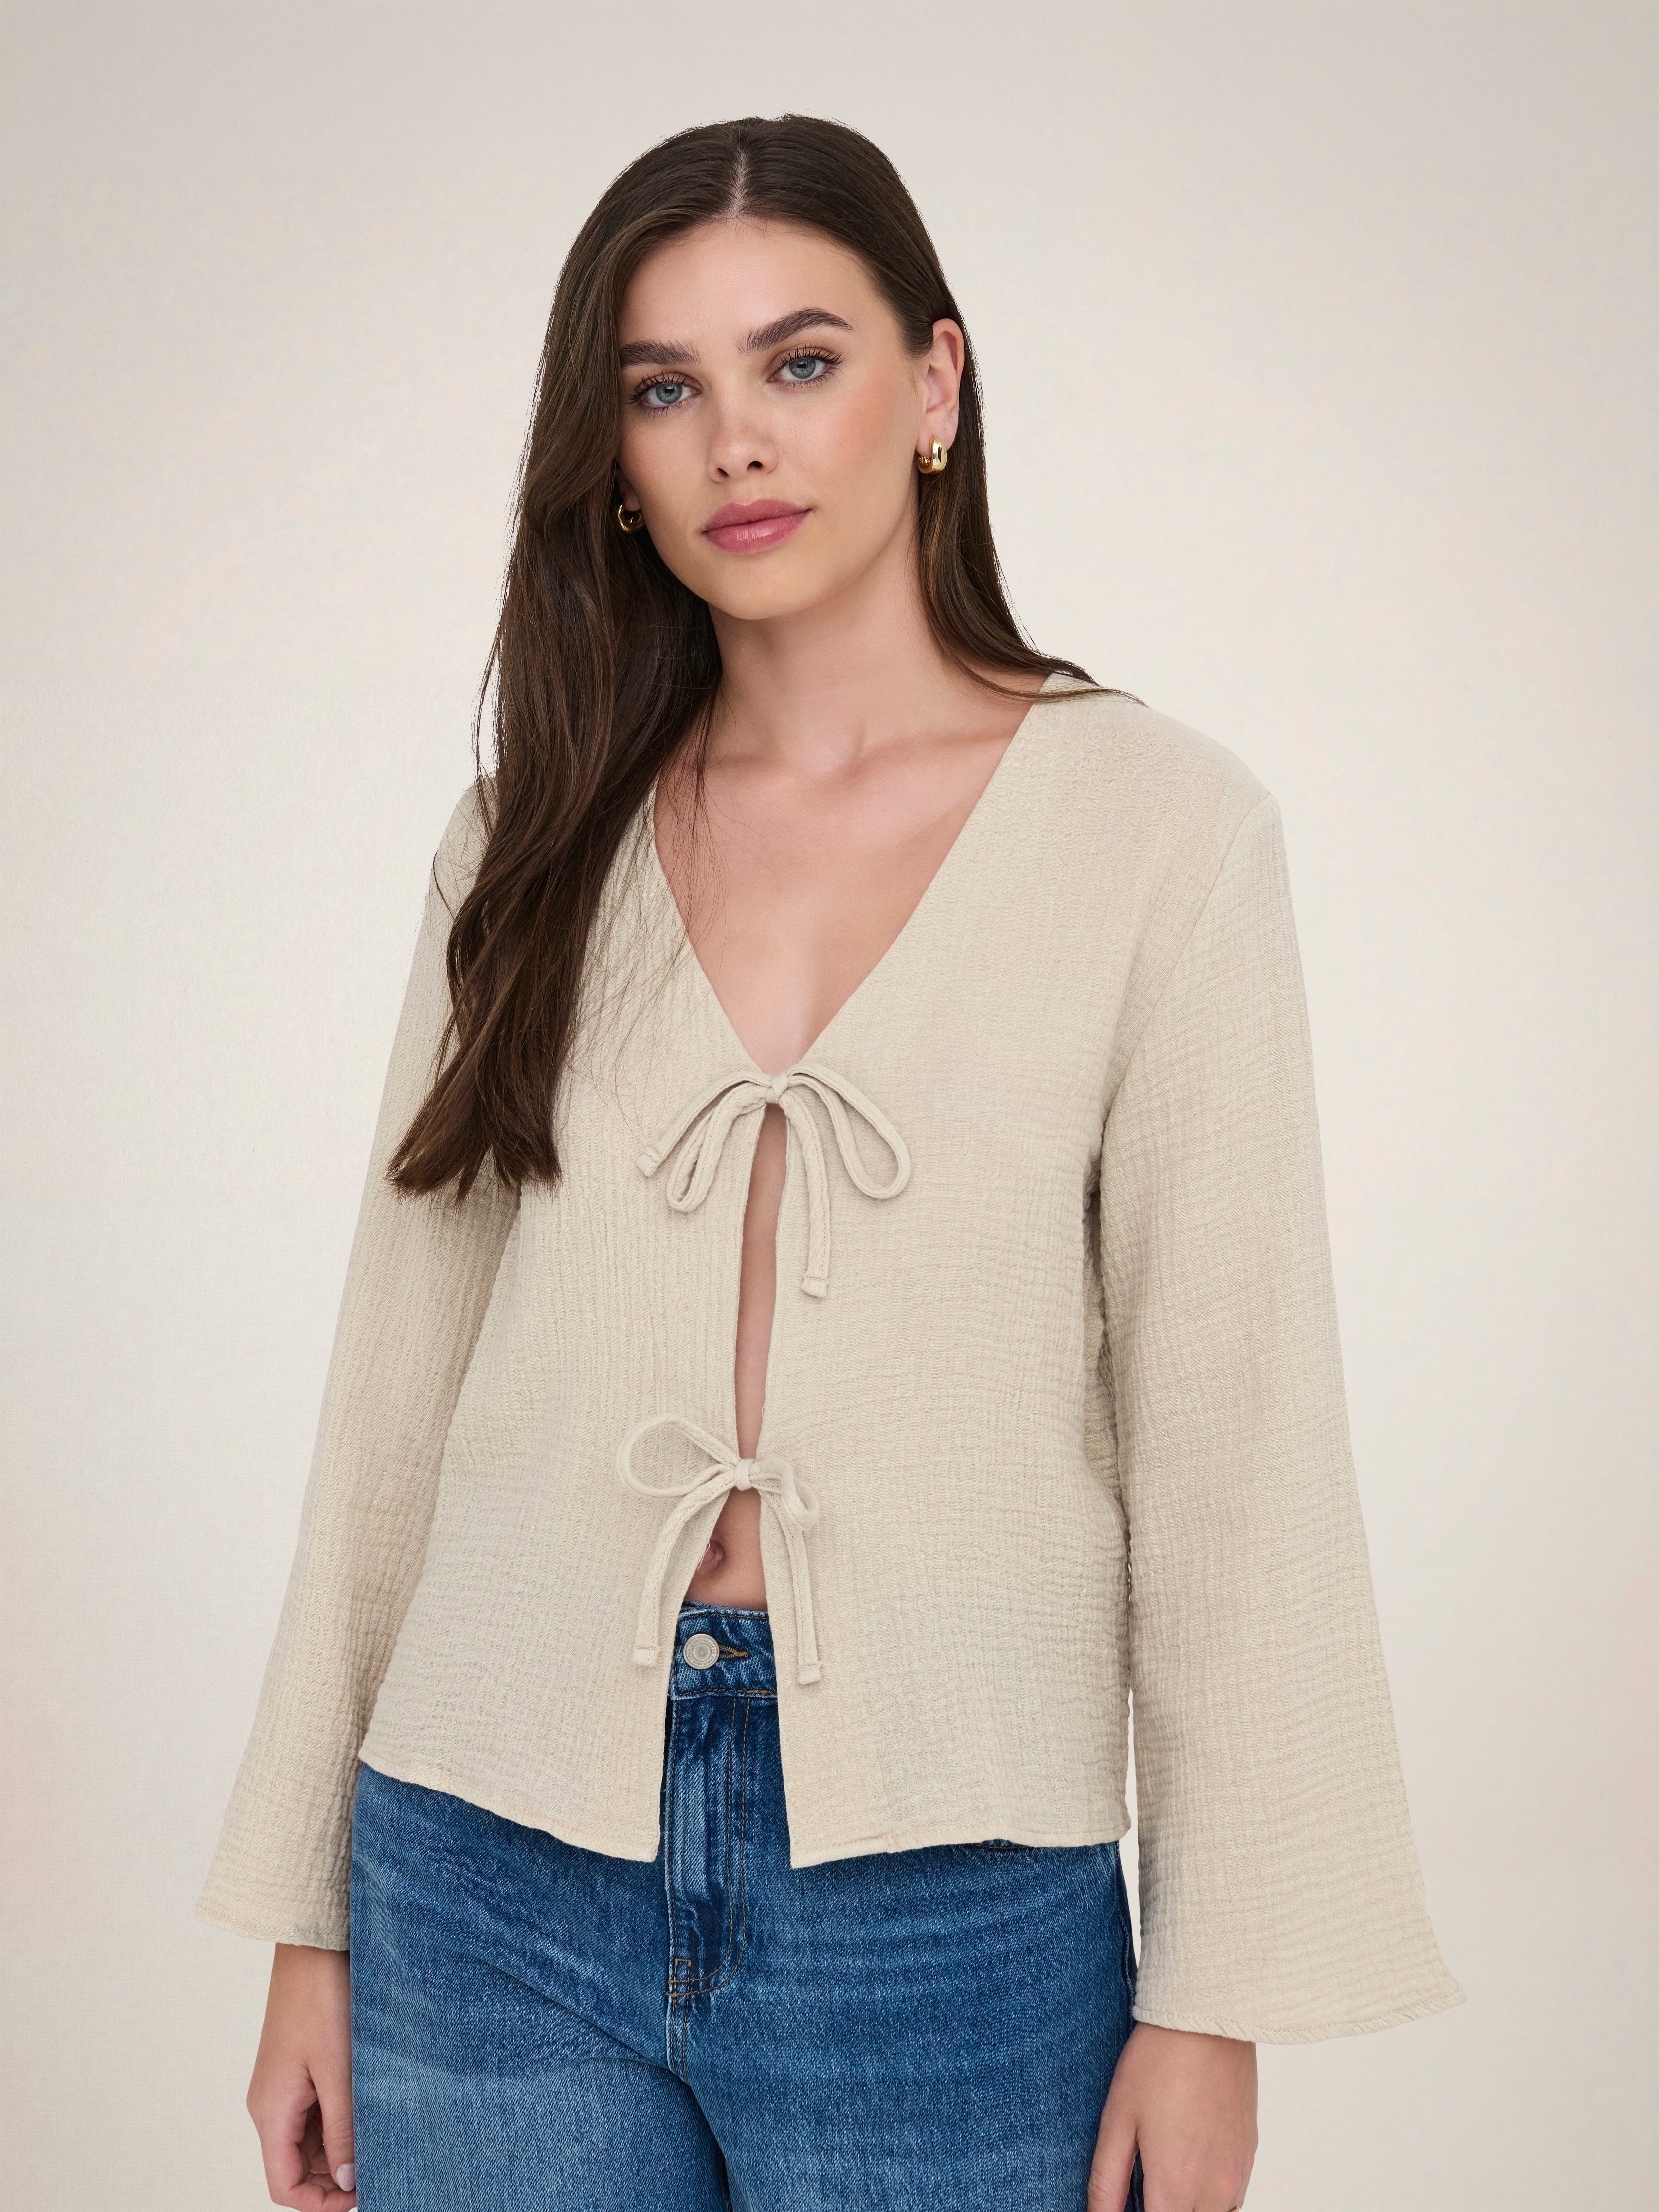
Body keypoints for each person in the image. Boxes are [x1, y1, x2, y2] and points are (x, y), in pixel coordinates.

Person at [196, 113, 1464, 2212]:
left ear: (936, 387)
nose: (737, 442)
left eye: (801, 362)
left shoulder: (1163, 833)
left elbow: (1236, 1440)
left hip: (949, 1901)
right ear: (612, 457)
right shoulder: (531, 834)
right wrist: (305, 1915)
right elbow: (390, 1402)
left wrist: (1215, 1994)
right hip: (486, 1867)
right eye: (663, 388)